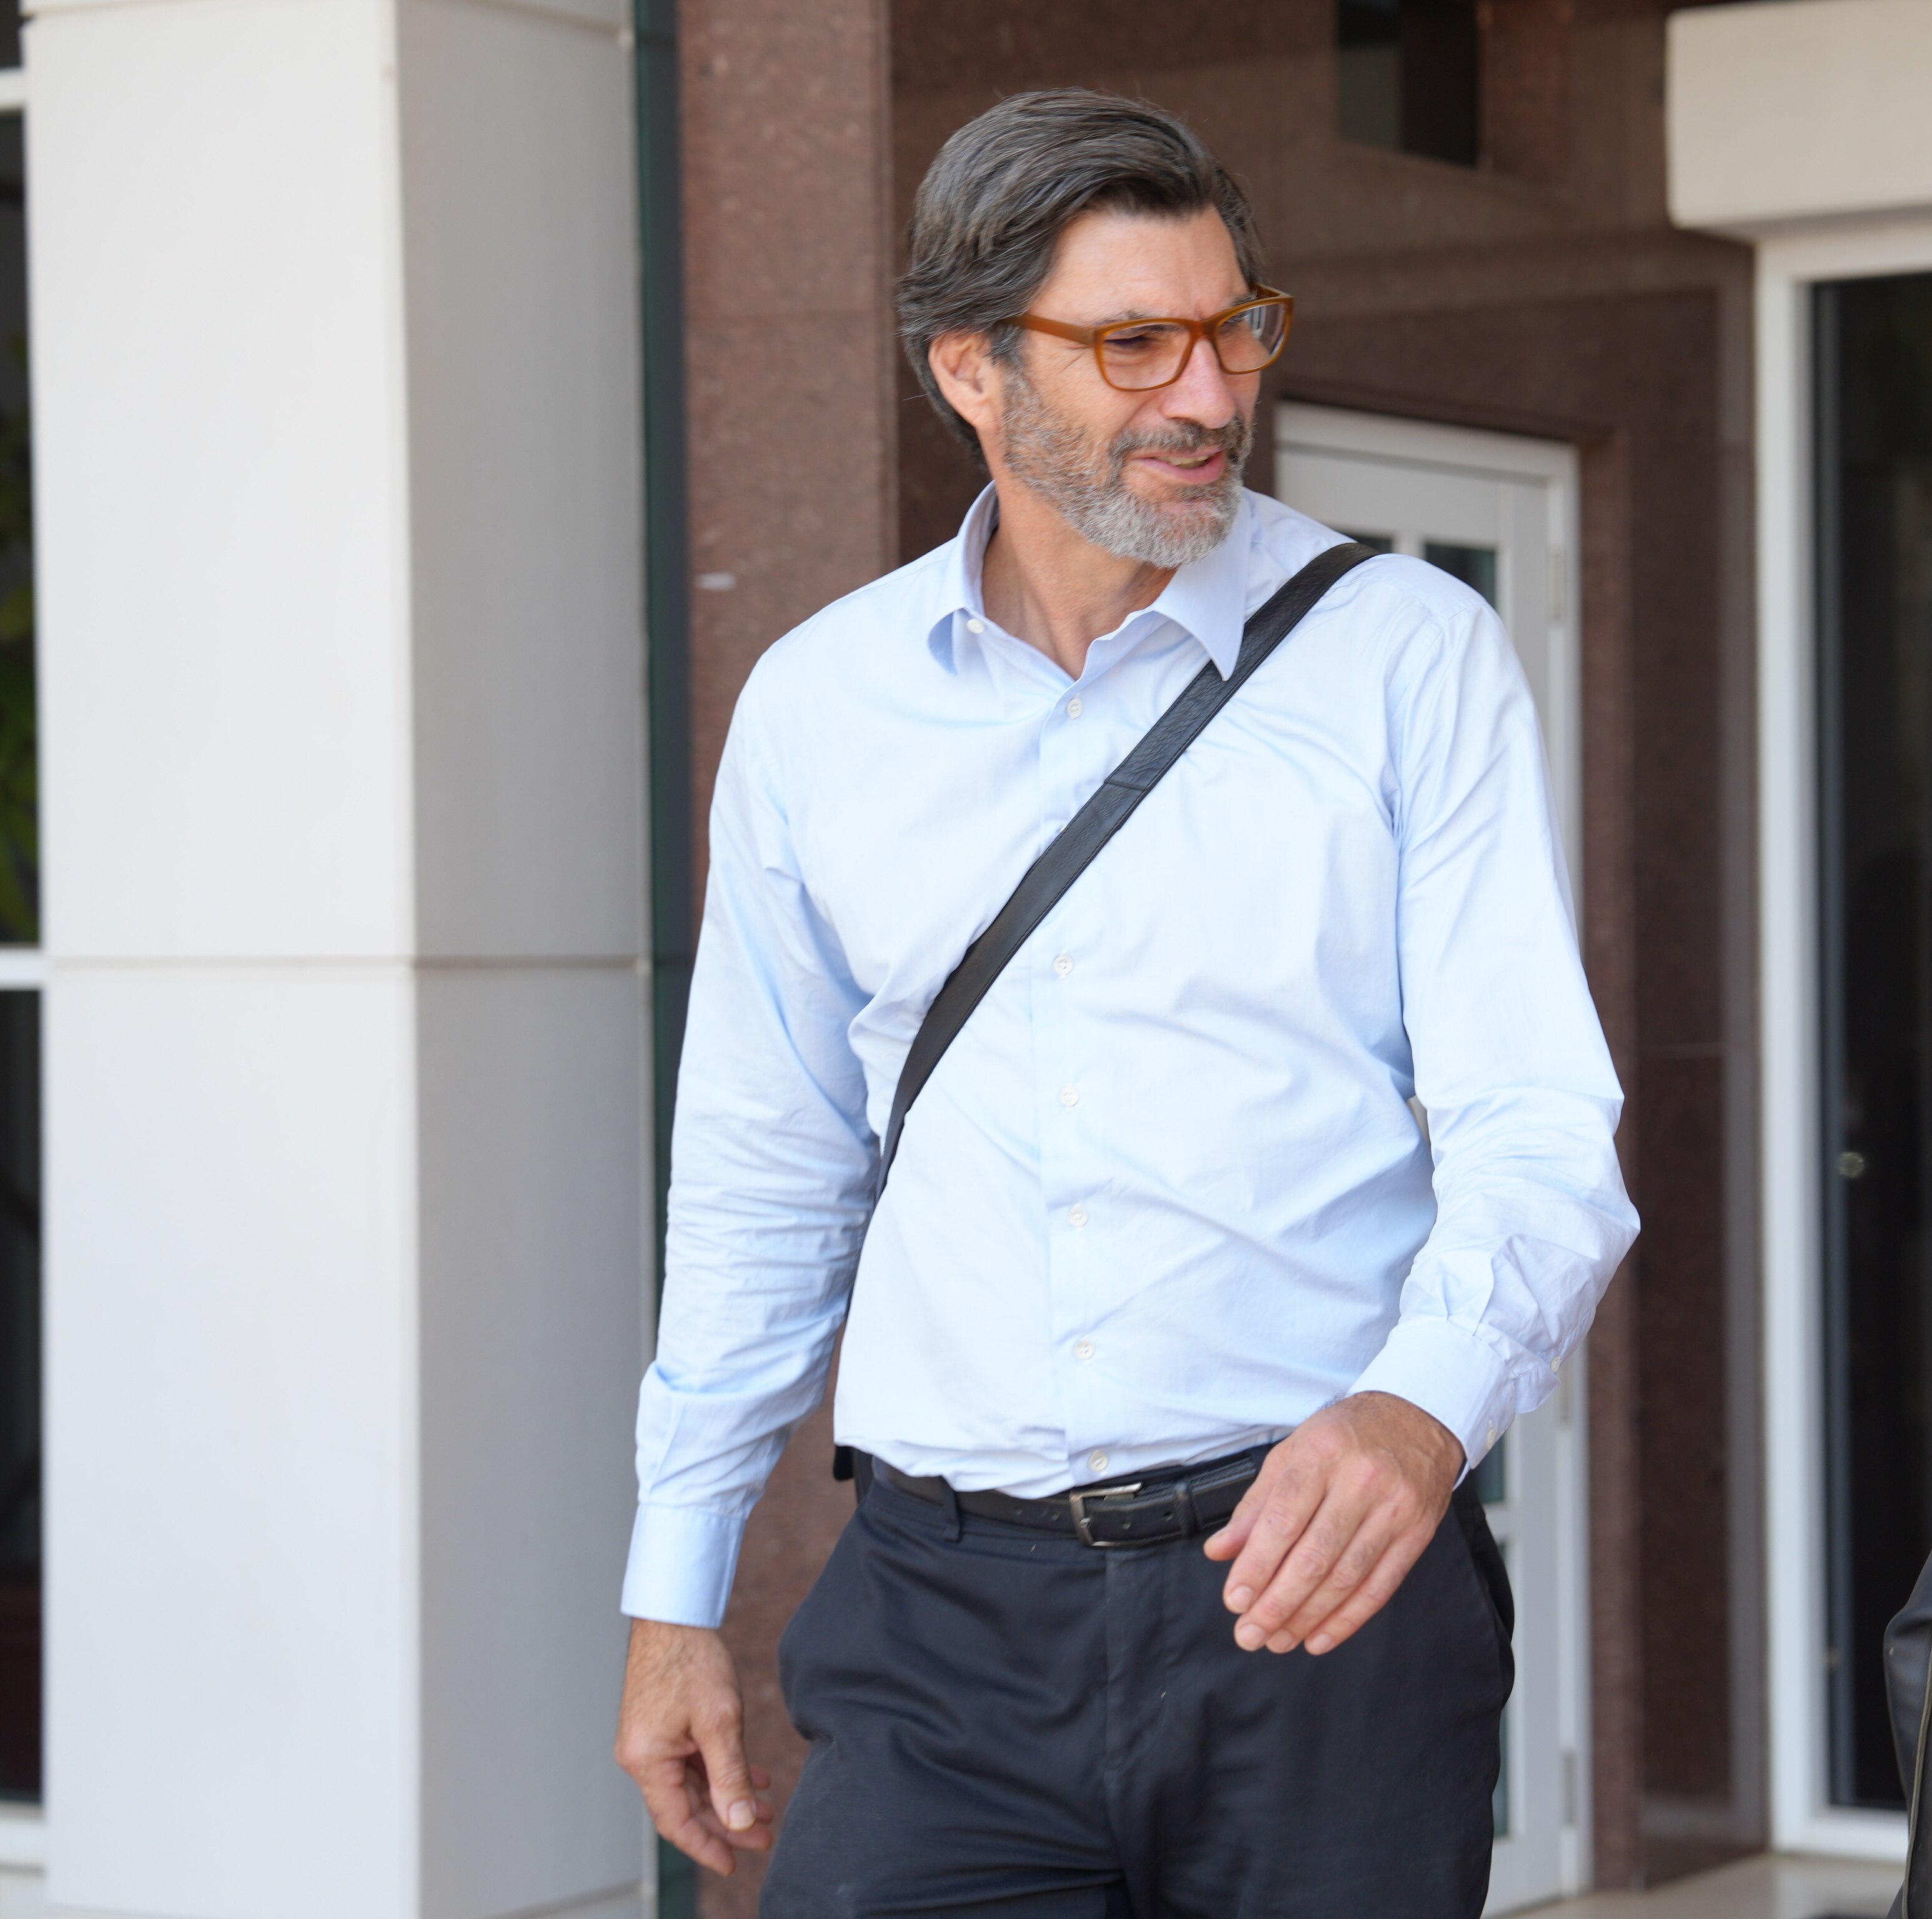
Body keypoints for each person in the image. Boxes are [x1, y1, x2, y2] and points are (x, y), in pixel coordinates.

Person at [612, 90, 1637, 1919]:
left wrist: (1422, 1410)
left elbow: (1538, 1125)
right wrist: (677, 1584)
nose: (1212, 394)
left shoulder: (1409, 655)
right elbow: (765, 1169)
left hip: (1311, 1602)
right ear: (971, 373)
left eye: (1237, 326)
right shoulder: (820, 708)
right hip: (940, 1626)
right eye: (1135, 342)